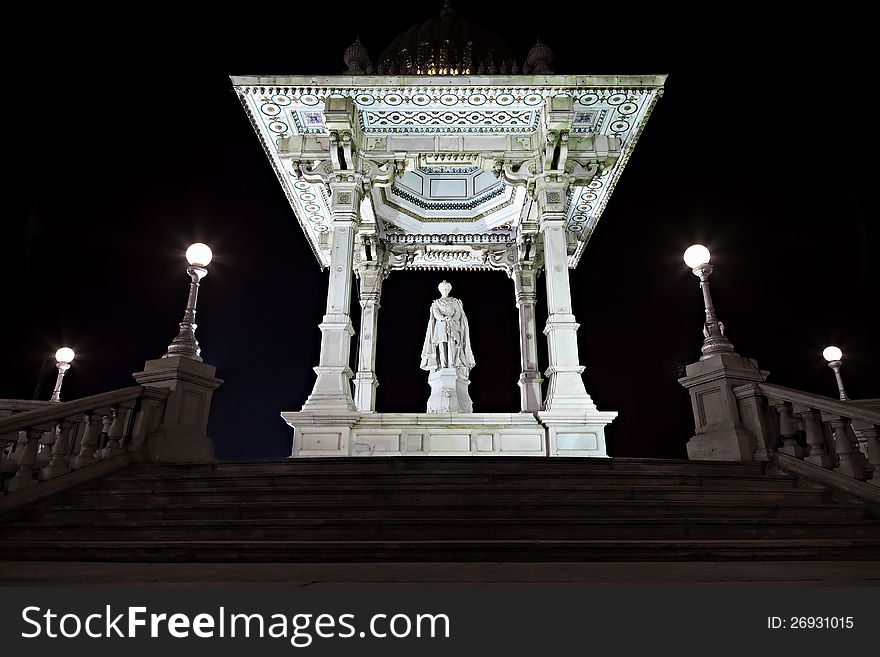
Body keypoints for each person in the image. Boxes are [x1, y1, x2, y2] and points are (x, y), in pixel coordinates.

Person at [419, 280, 476, 378]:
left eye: (446, 288)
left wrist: (452, 318)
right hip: (441, 326)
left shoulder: (454, 301)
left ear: (449, 289)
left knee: (453, 345)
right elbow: (436, 313)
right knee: (442, 346)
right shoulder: (436, 302)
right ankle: (443, 366)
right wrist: (444, 318)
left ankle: (452, 364)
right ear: (440, 290)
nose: (445, 290)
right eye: (443, 289)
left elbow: (458, 312)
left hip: (453, 325)